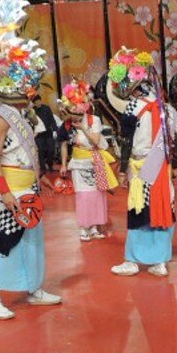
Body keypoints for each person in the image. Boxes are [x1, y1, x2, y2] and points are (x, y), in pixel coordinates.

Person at [0, 91, 61, 320]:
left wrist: (40, 176)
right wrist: (4, 192)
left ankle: (34, 289)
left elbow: (26, 154)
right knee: (5, 243)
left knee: (32, 243)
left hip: (28, 187)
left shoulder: (22, 115)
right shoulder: (0, 118)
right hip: (11, 190)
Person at [107, 47, 175, 278]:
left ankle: (132, 260)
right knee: (162, 210)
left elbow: (126, 140)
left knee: (137, 210)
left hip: (140, 165)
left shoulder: (133, 107)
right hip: (159, 165)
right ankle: (160, 261)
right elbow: (173, 142)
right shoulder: (164, 108)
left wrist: (122, 169)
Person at [57, 80, 118, 241]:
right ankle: (83, 227)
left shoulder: (94, 121)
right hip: (78, 163)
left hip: (94, 161)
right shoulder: (66, 124)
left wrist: (83, 128)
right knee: (83, 196)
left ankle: (94, 226)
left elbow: (96, 141)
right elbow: (63, 145)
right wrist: (63, 164)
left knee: (97, 195)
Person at [30, 92, 57, 175]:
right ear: (33, 103)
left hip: (48, 133)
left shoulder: (46, 108)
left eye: (38, 101)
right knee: (41, 151)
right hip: (39, 135)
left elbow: (52, 119)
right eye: (35, 102)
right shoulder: (32, 111)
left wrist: (55, 130)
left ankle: (50, 165)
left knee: (50, 150)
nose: (37, 103)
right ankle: (43, 168)